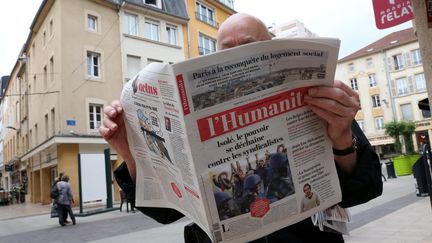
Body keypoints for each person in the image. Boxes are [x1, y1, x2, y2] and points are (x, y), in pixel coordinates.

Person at [100, 13, 382, 243]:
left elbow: (365, 189)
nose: (237, 56)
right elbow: (165, 214)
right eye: (227, 49)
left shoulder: (312, 96)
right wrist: (129, 150)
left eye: (248, 45)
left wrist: (342, 136)